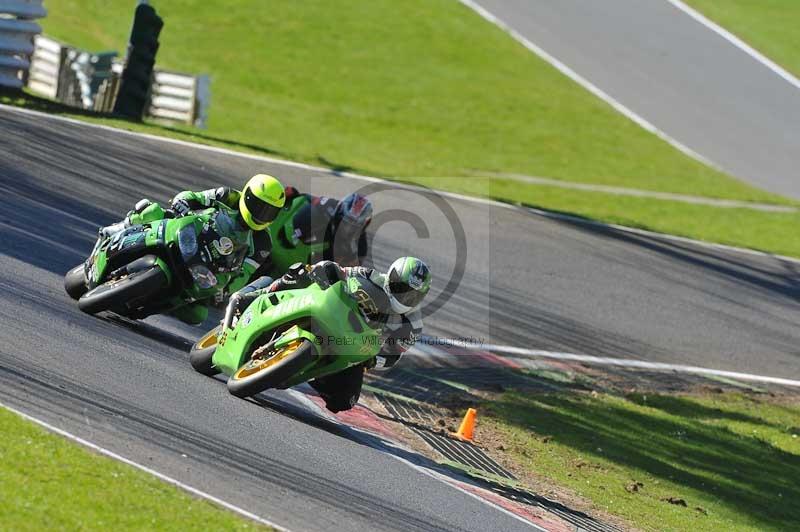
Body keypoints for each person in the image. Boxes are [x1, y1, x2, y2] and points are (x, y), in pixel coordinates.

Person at [227, 257, 432, 412]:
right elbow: (338, 270)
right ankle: (257, 295)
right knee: (301, 272)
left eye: (411, 294)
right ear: (391, 277)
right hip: (329, 311)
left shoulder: (412, 325)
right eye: (400, 287)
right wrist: (325, 269)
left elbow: (393, 356)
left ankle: (301, 368)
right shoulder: (370, 276)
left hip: (350, 344)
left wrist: (373, 360)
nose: (404, 295)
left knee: (344, 401)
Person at [100, 174, 286, 324]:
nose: (261, 214)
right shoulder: (227, 196)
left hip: (209, 267)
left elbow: (245, 273)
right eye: (258, 206)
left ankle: (150, 304)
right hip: (191, 235)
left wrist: (226, 290)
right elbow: (192, 196)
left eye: (269, 211)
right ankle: (120, 228)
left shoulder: (263, 243)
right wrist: (184, 202)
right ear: (247, 196)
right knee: (153, 211)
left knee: (197, 315)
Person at [279, 187, 373, 267]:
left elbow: (349, 275)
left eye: (353, 226)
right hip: (290, 237)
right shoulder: (328, 205)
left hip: (306, 268)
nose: (346, 228)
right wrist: (293, 194)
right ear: (338, 210)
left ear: (363, 226)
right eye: (344, 221)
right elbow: (305, 198)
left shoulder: (359, 249)